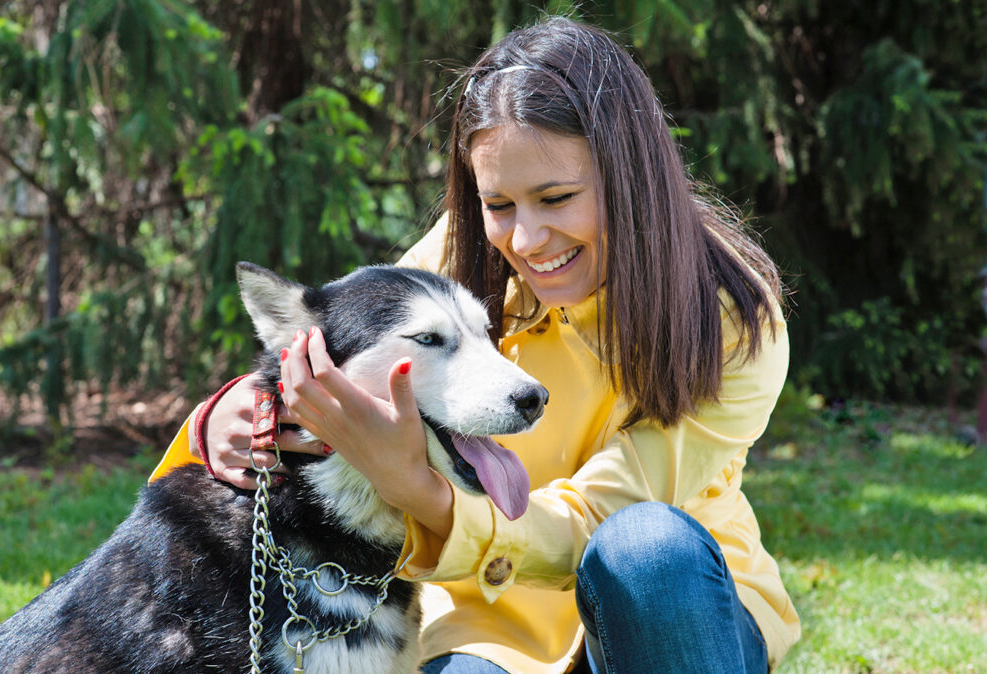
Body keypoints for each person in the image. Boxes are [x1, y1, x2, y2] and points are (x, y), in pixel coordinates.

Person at [150, 16, 800, 674]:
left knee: (644, 544)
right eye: (499, 205)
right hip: (487, 626)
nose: (526, 240)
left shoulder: (734, 324)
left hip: (664, 610)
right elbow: (353, 347)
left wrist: (420, 493)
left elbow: (590, 525)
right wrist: (243, 411)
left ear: (629, 175)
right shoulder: (461, 253)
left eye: (557, 197)